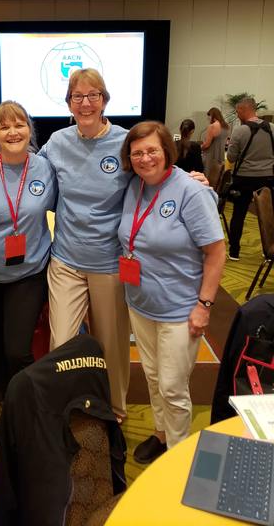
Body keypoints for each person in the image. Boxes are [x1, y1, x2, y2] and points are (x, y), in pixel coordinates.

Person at [118, 121, 225, 463]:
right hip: (140, 303)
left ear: (167, 151)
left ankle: (177, 456)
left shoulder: (191, 191)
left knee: (173, 388)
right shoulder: (134, 185)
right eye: (137, 153)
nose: (145, 159)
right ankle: (161, 434)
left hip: (180, 310)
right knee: (152, 377)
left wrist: (204, 305)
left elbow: (216, 252)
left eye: (152, 150)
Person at [39, 68, 132, 420]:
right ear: (69, 104)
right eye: (77, 97)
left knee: (112, 345)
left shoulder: (125, 142)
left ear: (104, 100)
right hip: (66, 260)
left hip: (109, 263)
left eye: (93, 95)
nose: (86, 103)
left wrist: (191, 177)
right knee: (61, 343)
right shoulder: (58, 142)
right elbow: (28, 167)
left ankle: (116, 409)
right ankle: (65, 409)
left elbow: (155, 169)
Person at [0, 101, 57, 396]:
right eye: (3, 127)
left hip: (29, 272)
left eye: (19, 125)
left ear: (30, 129)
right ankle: (7, 405)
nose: (12, 132)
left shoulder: (45, 168)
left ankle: (27, 407)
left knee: (17, 351)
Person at [226, 96, 274, 261]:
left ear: (242, 109)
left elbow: (231, 158)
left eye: (237, 111)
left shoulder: (239, 131)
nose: (237, 114)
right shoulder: (272, 128)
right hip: (268, 179)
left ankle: (234, 251)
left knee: (239, 214)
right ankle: (268, 251)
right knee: (268, 216)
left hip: (244, 178)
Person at [201, 107, 229, 176]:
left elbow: (207, 144)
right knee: (217, 177)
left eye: (209, 116)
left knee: (208, 177)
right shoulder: (226, 127)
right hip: (220, 156)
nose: (208, 119)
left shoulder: (212, 126)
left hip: (210, 156)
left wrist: (200, 147)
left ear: (213, 116)